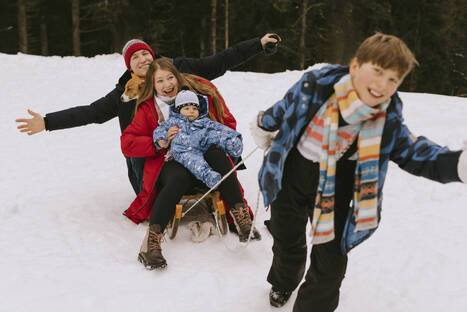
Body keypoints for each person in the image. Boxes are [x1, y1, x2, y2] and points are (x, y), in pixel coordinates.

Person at [249, 32, 467, 312]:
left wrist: (466, 165)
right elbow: (285, 108)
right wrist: (263, 124)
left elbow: (417, 153)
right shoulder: (317, 85)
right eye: (377, 72)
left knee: (330, 269)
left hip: (337, 188)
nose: (382, 85)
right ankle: (284, 280)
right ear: (355, 66)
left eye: (393, 80)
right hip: (291, 173)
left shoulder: (386, 118)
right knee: (288, 239)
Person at [15, 33, 281, 195]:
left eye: (145, 53)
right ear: (129, 66)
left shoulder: (178, 70)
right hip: (155, 158)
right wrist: (48, 121)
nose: (142, 59)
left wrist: (257, 45)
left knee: (211, 152)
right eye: (135, 58)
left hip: (194, 147)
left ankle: (230, 205)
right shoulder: (125, 94)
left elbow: (219, 61)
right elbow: (90, 113)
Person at [121, 58, 259, 270]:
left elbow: (226, 123)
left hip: (206, 158)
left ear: (177, 77)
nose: (167, 85)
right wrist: (160, 141)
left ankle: (240, 218)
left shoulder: (199, 98)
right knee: (178, 177)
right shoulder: (148, 108)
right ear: (152, 84)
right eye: (159, 81)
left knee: (219, 156)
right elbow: (128, 143)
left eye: (170, 78)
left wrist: (216, 137)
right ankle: (152, 244)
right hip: (174, 161)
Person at [153, 89, 243, 189]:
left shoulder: (203, 121)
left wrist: (231, 134)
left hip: (202, 145)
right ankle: (208, 176)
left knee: (213, 134)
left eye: (194, 108)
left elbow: (218, 127)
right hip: (183, 150)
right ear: (178, 111)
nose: (191, 111)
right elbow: (160, 130)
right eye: (187, 108)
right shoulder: (173, 121)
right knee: (196, 162)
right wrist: (162, 139)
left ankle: (231, 144)